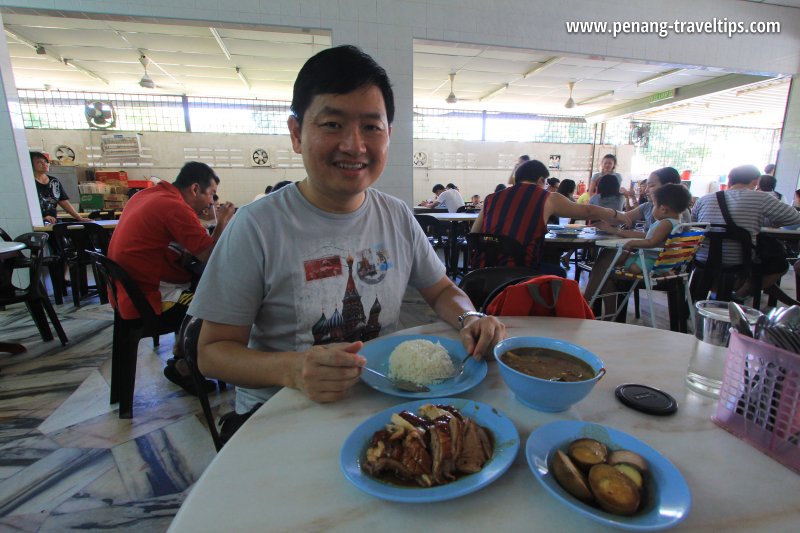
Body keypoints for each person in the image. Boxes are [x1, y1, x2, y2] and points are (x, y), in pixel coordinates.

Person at [188, 45, 505, 413]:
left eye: (371, 127)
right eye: (332, 124)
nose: (354, 146)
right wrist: (293, 369)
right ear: (296, 133)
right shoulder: (257, 226)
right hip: (282, 414)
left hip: (384, 400)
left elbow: (442, 291)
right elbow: (211, 354)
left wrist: (471, 318)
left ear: (389, 134)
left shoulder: (397, 216)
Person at [107, 161, 235, 392]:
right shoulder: (174, 206)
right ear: (195, 189)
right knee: (212, 304)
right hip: (147, 297)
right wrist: (223, 219)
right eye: (212, 195)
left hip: (125, 291)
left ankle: (181, 358)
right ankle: (185, 365)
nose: (212, 202)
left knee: (198, 290)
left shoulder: (147, 195)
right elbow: (211, 256)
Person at [471, 159, 627, 270]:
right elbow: (587, 211)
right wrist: (615, 213)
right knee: (557, 273)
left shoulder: (491, 198)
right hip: (521, 270)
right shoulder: (546, 197)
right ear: (541, 180)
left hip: (483, 269)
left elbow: (474, 234)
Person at [692, 164, 800, 301]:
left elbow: (694, 225)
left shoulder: (704, 199)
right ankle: (740, 294)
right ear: (756, 181)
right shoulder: (761, 198)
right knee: (781, 265)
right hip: (739, 260)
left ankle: (715, 291)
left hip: (702, 259)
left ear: (730, 180)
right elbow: (795, 218)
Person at [30, 151, 91, 224]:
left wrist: (79, 218)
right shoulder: (29, 183)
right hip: (36, 223)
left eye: (45, 162)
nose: (44, 164)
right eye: (39, 162)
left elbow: (63, 202)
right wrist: (41, 218)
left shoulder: (54, 181)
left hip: (53, 222)